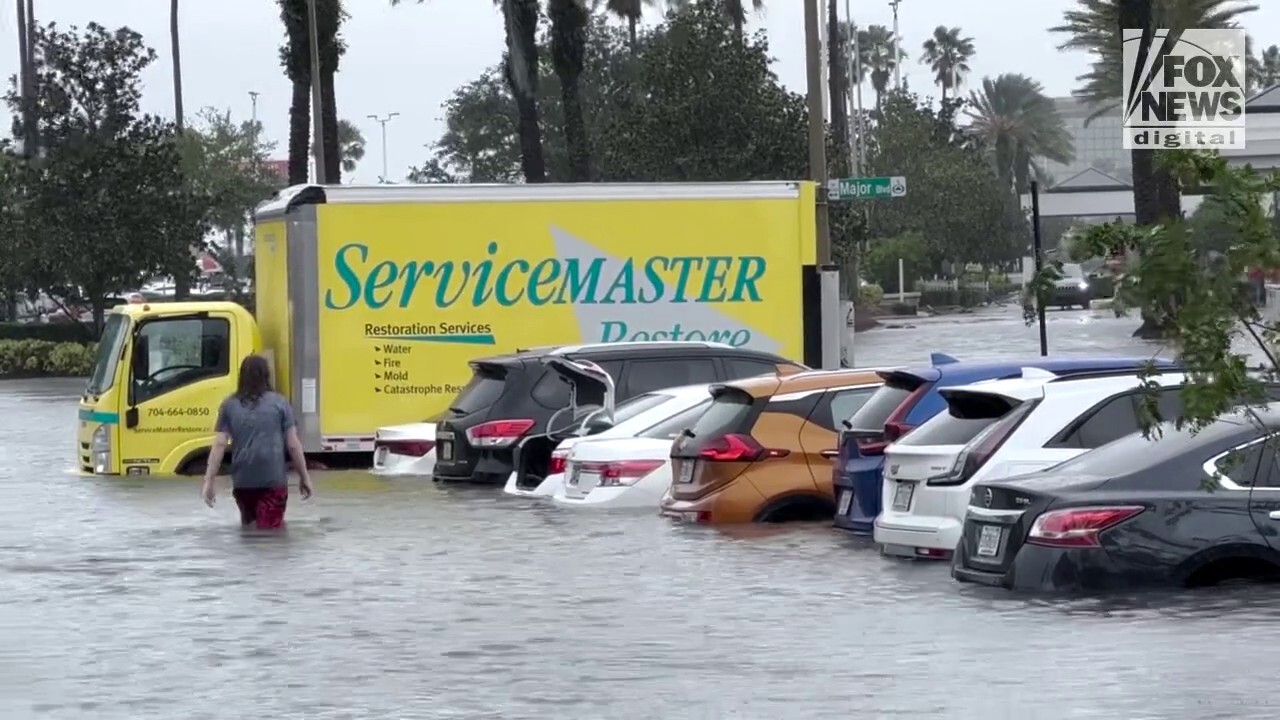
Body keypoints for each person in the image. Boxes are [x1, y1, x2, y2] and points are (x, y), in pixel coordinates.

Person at [201, 354, 313, 528]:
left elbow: (220, 444)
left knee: (250, 531)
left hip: (243, 482)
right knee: (270, 536)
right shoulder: (280, 403)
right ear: (266, 375)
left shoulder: (229, 405)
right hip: (272, 479)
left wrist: (209, 480)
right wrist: (304, 477)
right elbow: (292, 445)